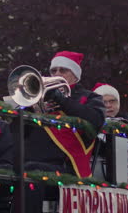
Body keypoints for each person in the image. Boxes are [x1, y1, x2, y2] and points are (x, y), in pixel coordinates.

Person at [22, 51, 105, 212]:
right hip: (31, 164)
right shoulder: (40, 98)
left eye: (63, 70)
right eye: (54, 71)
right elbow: (17, 134)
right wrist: (27, 109)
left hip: (68, 169)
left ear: (75, 75)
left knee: (30, 171)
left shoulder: (89, 97)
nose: (57, 74)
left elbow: (96, 121)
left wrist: (62, 100)